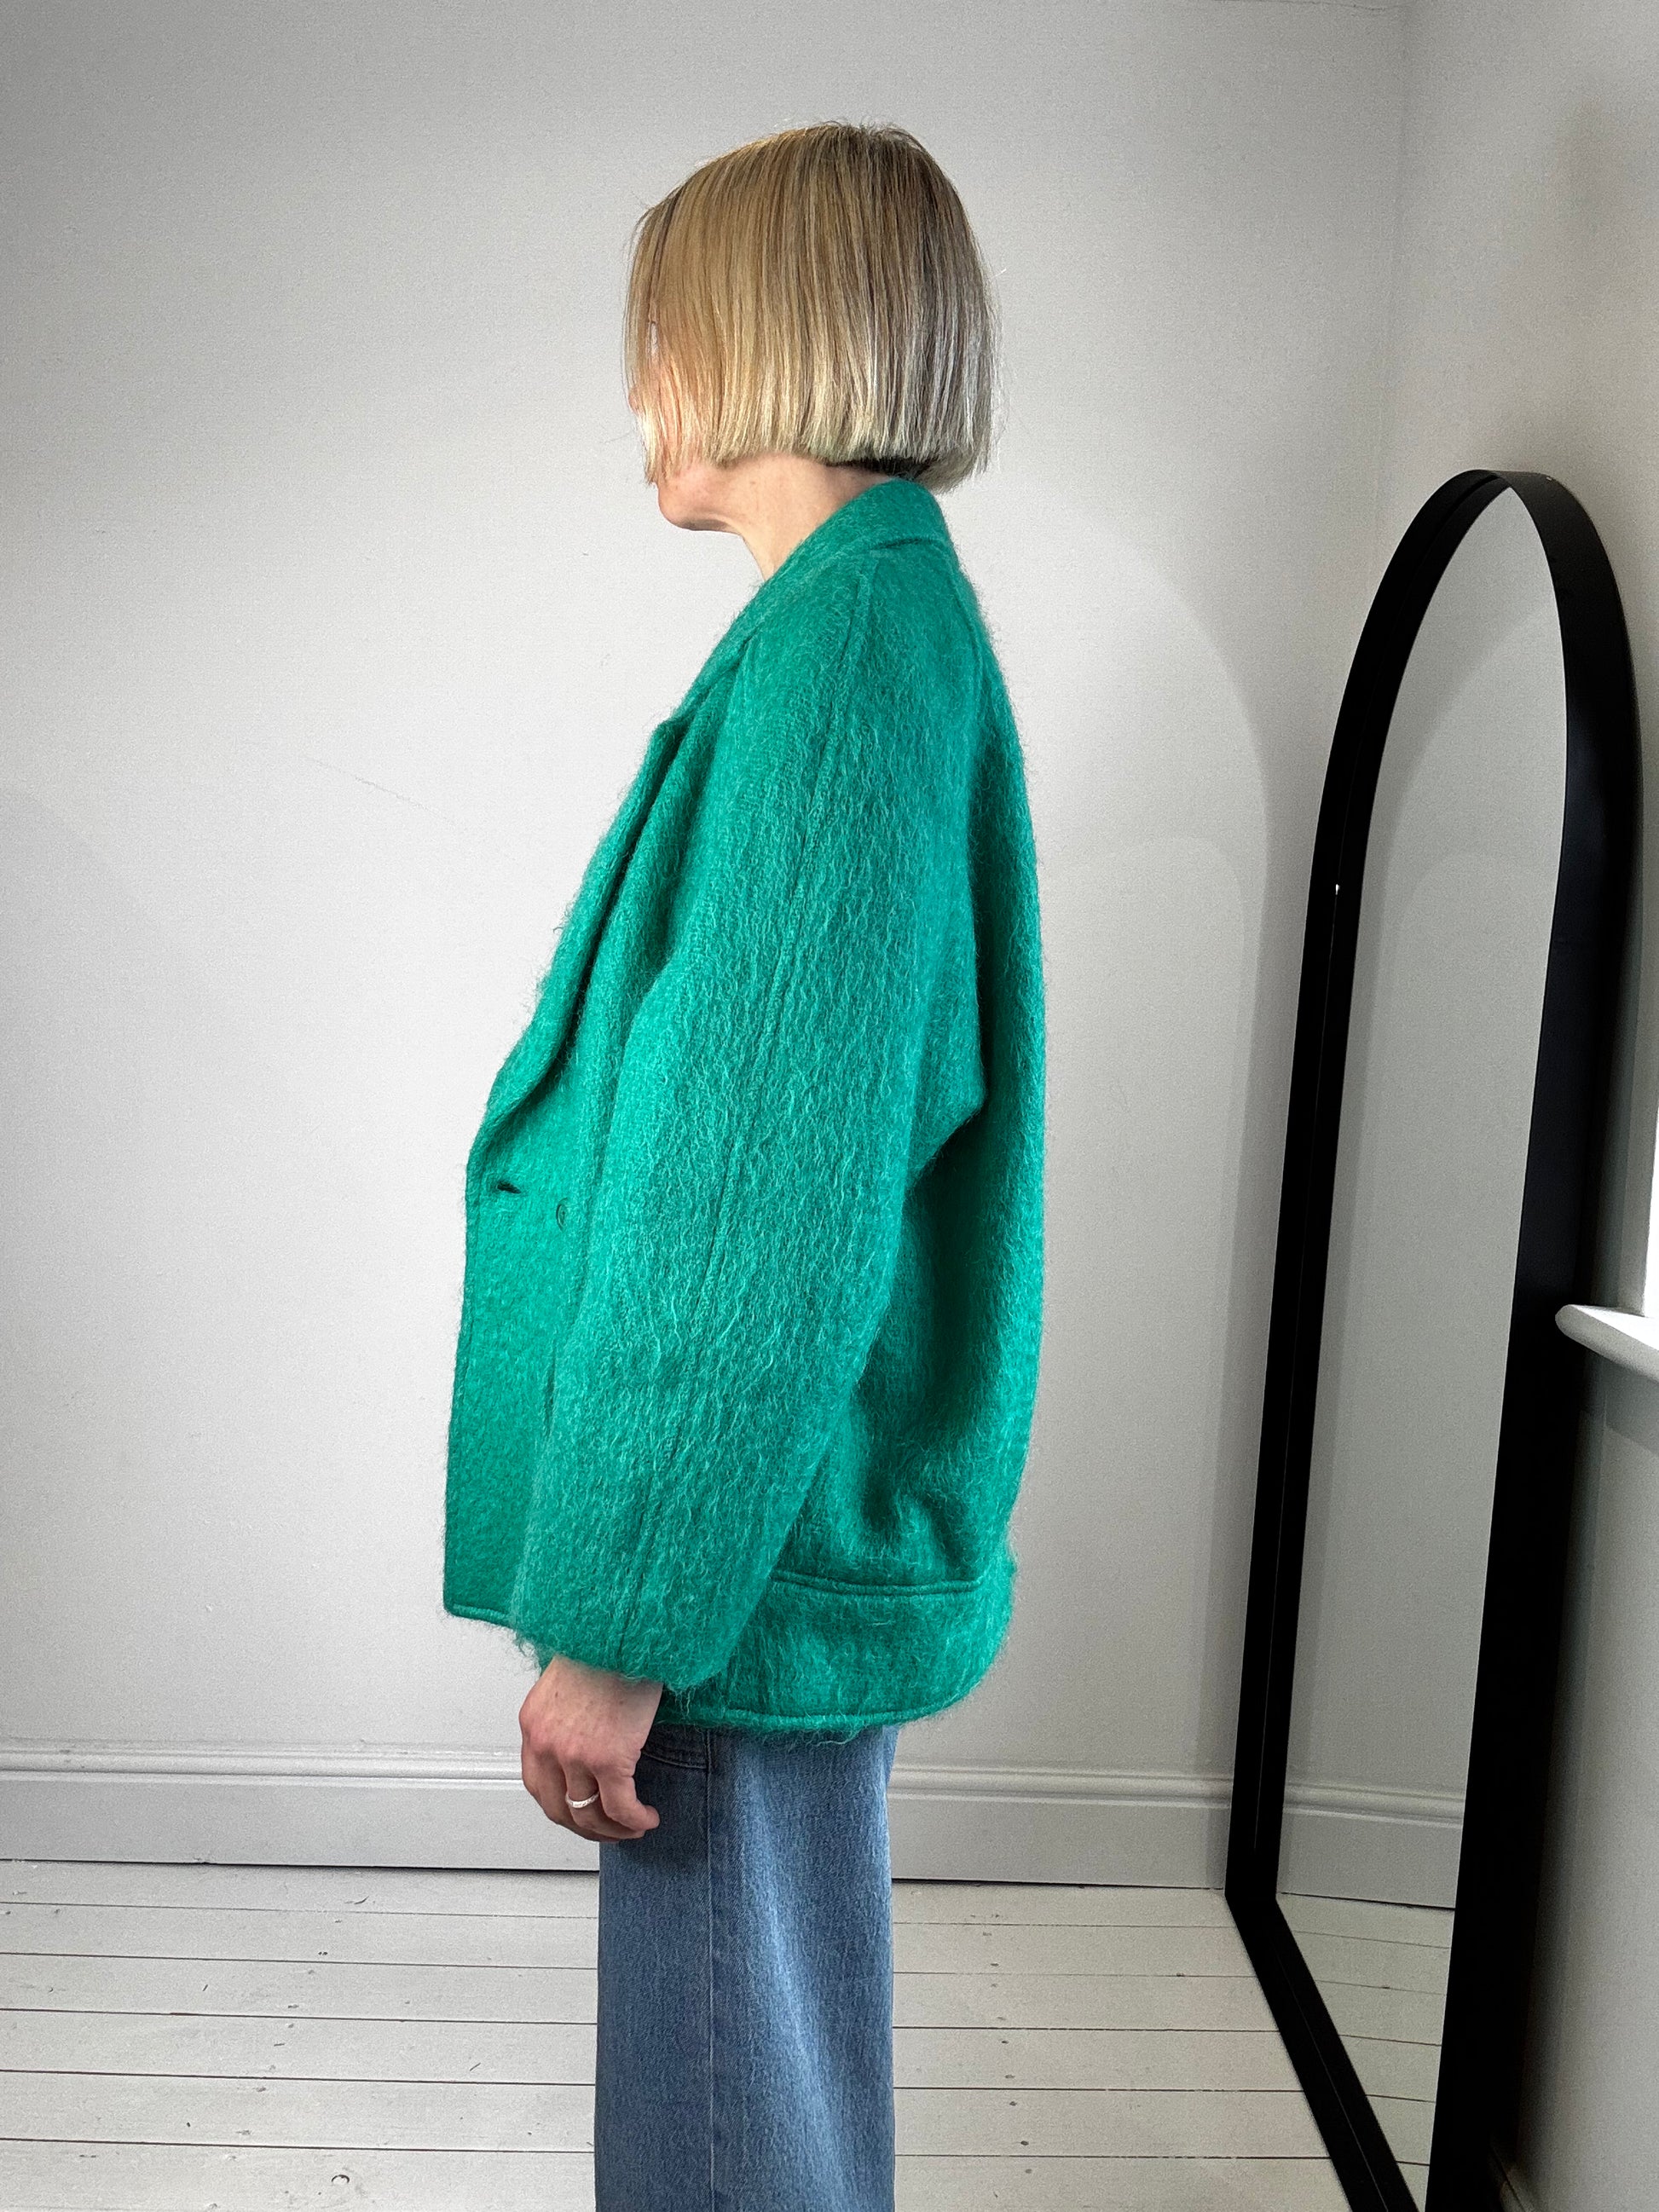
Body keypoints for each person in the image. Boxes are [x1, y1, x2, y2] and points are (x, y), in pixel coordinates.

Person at [442, 118, 1045, 2211]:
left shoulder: (842, 656)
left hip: (732, 1548)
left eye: (663, 334)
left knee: (728, 2106)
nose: (641, 390)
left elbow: (752, 1201)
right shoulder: (867, 622)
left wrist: (625, 1619)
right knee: (770, 2055)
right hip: (766, 1525)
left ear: (759, 340)